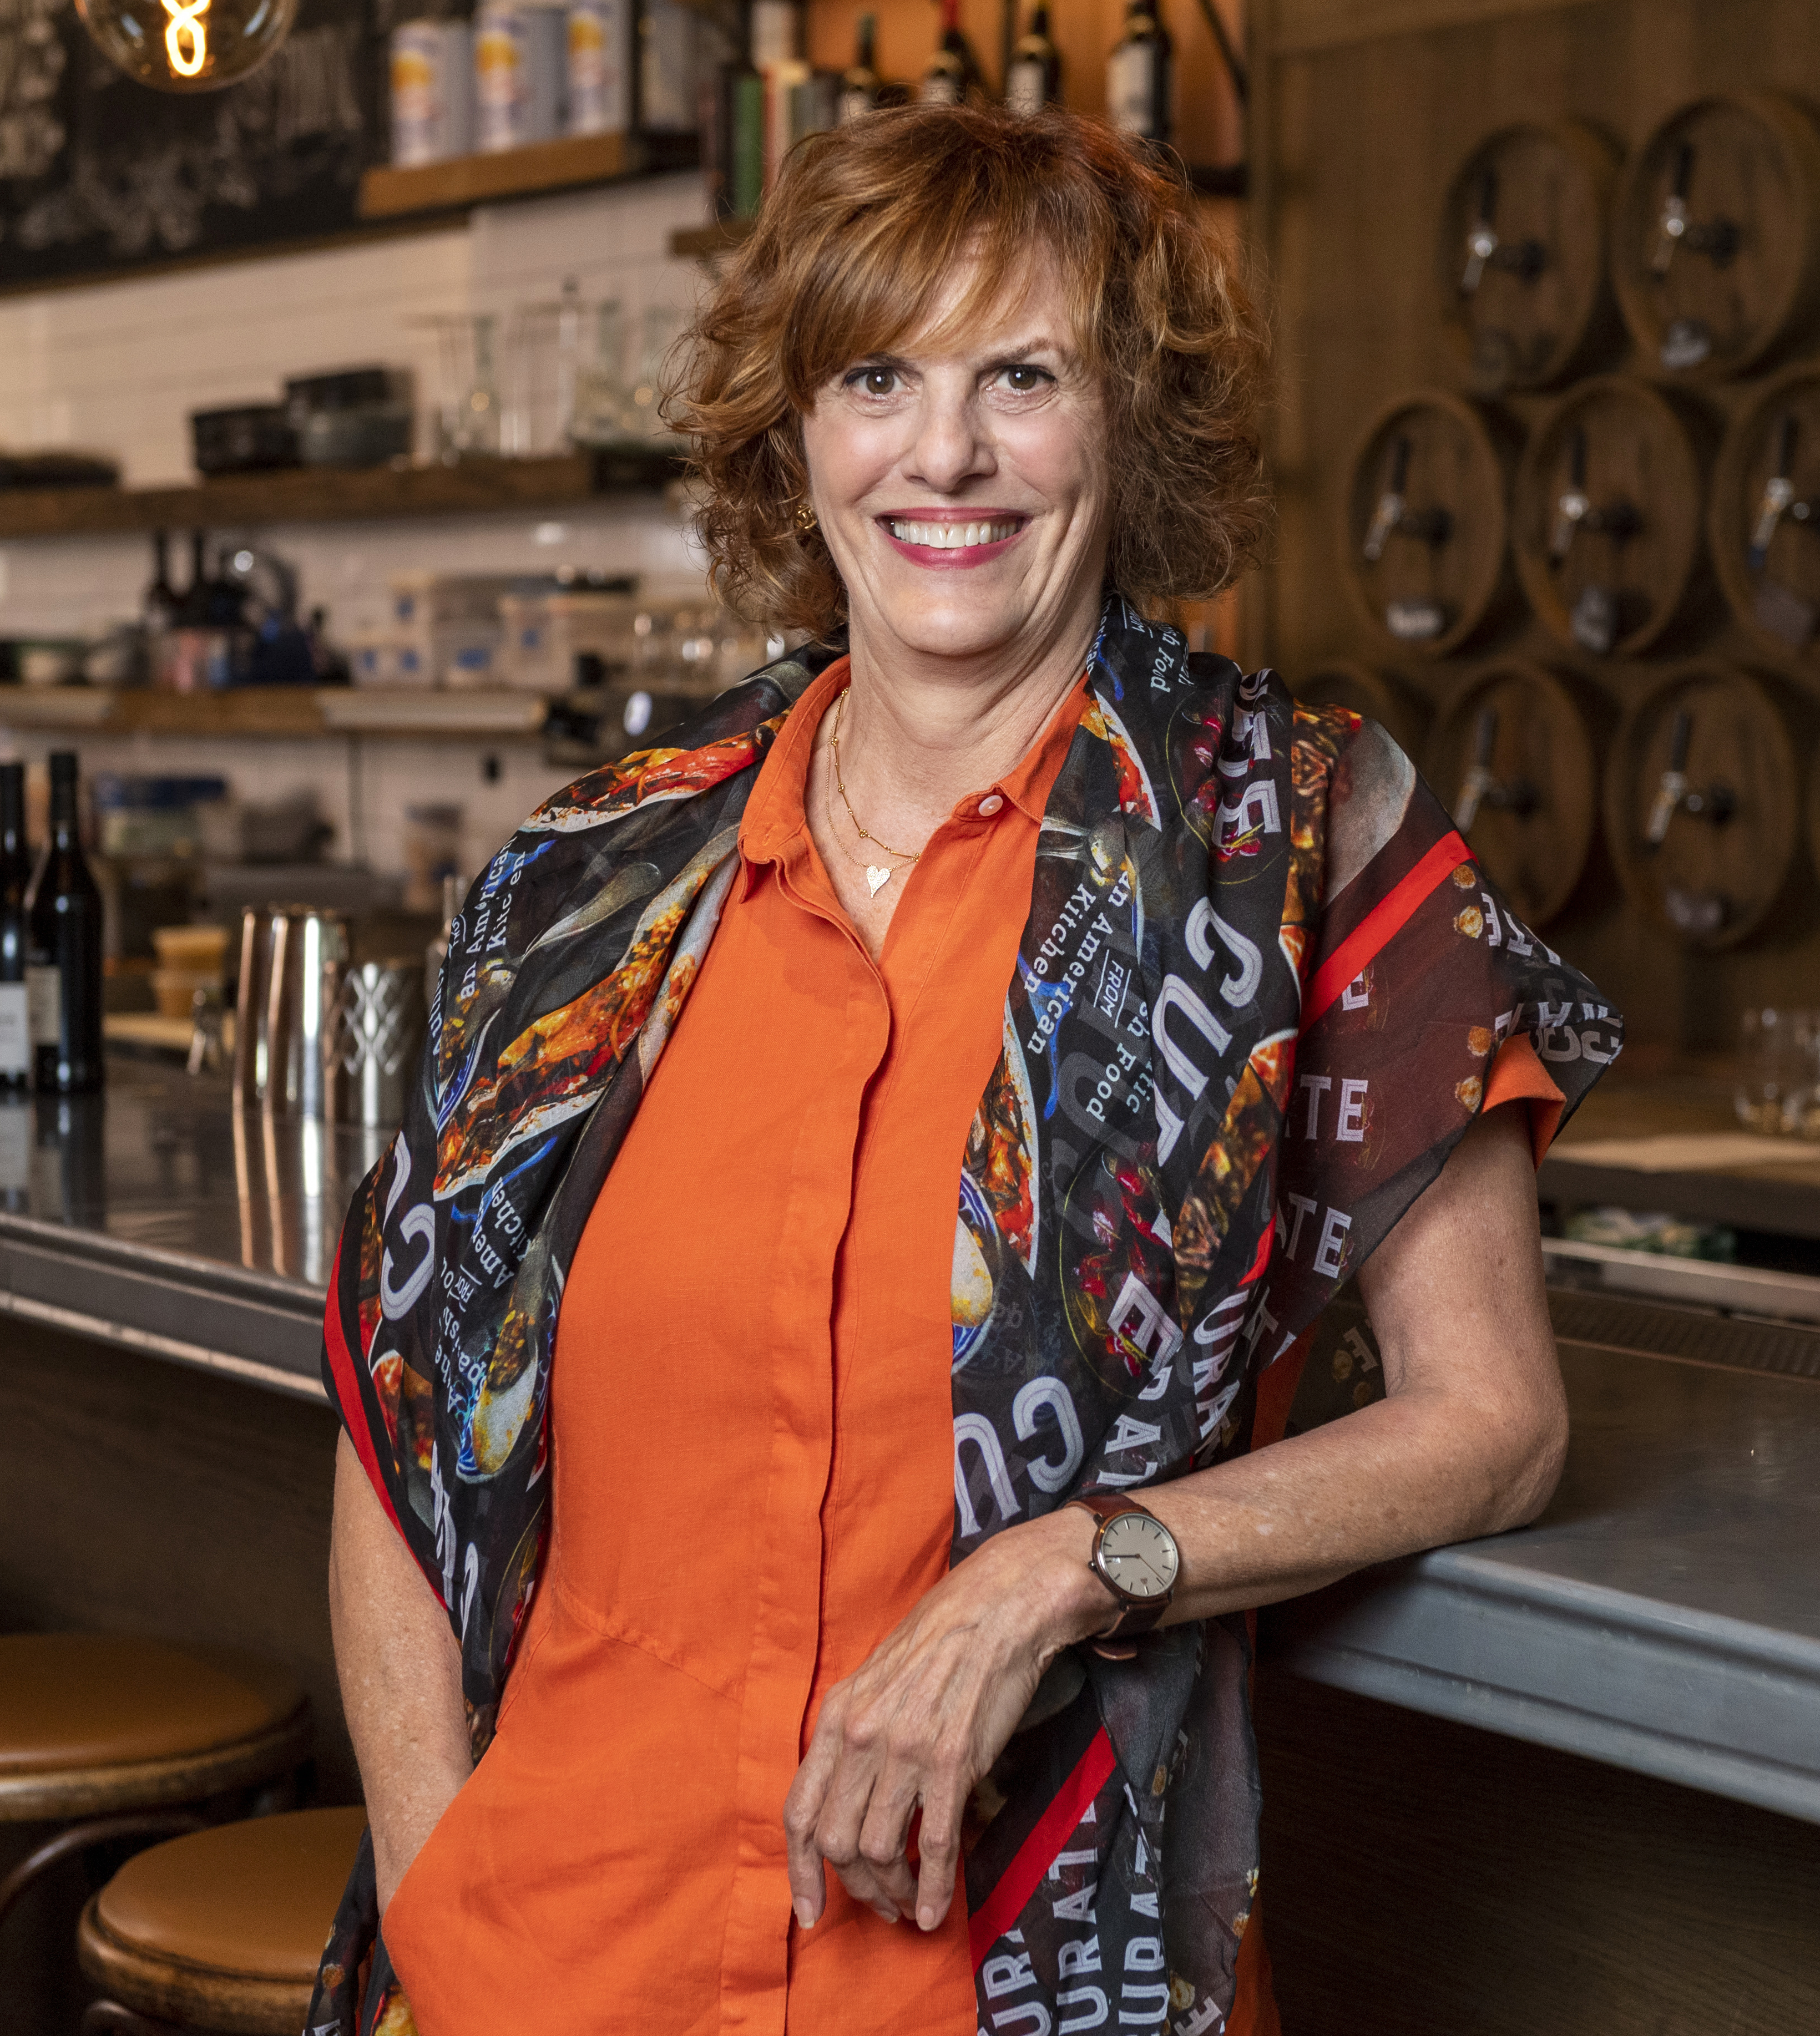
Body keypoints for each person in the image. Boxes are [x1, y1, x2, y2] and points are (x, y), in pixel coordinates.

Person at [309, 100, 1621, 2036]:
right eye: (878, 378)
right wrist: (445, 1913)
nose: (945, 453)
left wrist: (1064, 1571)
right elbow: (398, 1421)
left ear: (1129, 423)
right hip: (552, 1962)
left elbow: (1496, 1423)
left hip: (1006, 1985)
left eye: (1025, 377)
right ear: (796, 432)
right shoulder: (594, 878)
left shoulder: (1299, 847)